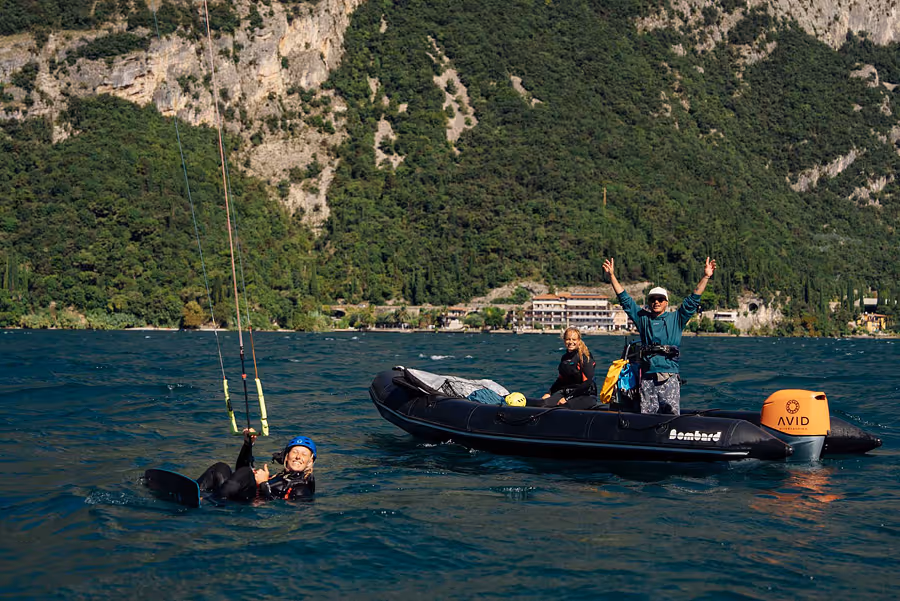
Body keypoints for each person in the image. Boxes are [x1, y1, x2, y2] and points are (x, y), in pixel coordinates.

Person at [602, 256, 717, 415]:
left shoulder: (676, 319)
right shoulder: (643, 319)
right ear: (649, 302)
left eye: (660, 299)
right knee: (648, 417)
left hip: (668, 378)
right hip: (647, 379)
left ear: (666, 302)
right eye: (653, 299)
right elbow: (625, 300)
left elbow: (693, 300)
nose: (656, 302)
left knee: (670, 417)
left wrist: (706, 276)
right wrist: (612, 276)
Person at [195, 428, 316, 502]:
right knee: (221, 467)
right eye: (295, 452)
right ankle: (195, 491)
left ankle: (208, 500)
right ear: (286, 456)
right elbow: (240, 472)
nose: (298, 457)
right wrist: (247, 445)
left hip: (243, 503)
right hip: (228, 496)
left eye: (304, 454)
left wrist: (264, 483)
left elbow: (279, 509)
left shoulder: (301, 489)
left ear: (309, 461)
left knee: (246, 472)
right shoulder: (277, 477)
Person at [532, 326, 598, 410]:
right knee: (542, 404)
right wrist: (549, 393)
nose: (571, 342)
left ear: (579, 341)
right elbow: (560, 380)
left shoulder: (585, 357)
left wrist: (567, 398)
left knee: (562, 407)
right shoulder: (565, 358)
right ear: (564, 340)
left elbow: (587, 383)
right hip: (566, 392)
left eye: (574, 339)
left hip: (585, 395)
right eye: (568, 339)